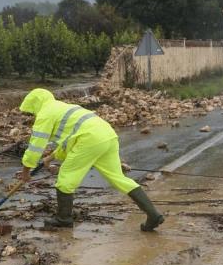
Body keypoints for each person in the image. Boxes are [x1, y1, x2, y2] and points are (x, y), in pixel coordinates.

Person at [18, 88, 164, 230]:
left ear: (35, 104)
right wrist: (51, 157)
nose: (32, 115)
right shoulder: (62, 107)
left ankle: (63, 219)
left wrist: (26, 171)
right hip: (107, 135)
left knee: (66, 179)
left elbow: (35, 147)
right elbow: (69, 139)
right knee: (118, 178)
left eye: (31, 111)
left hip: (89, 139)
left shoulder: (44, 114)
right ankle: (153, 214)